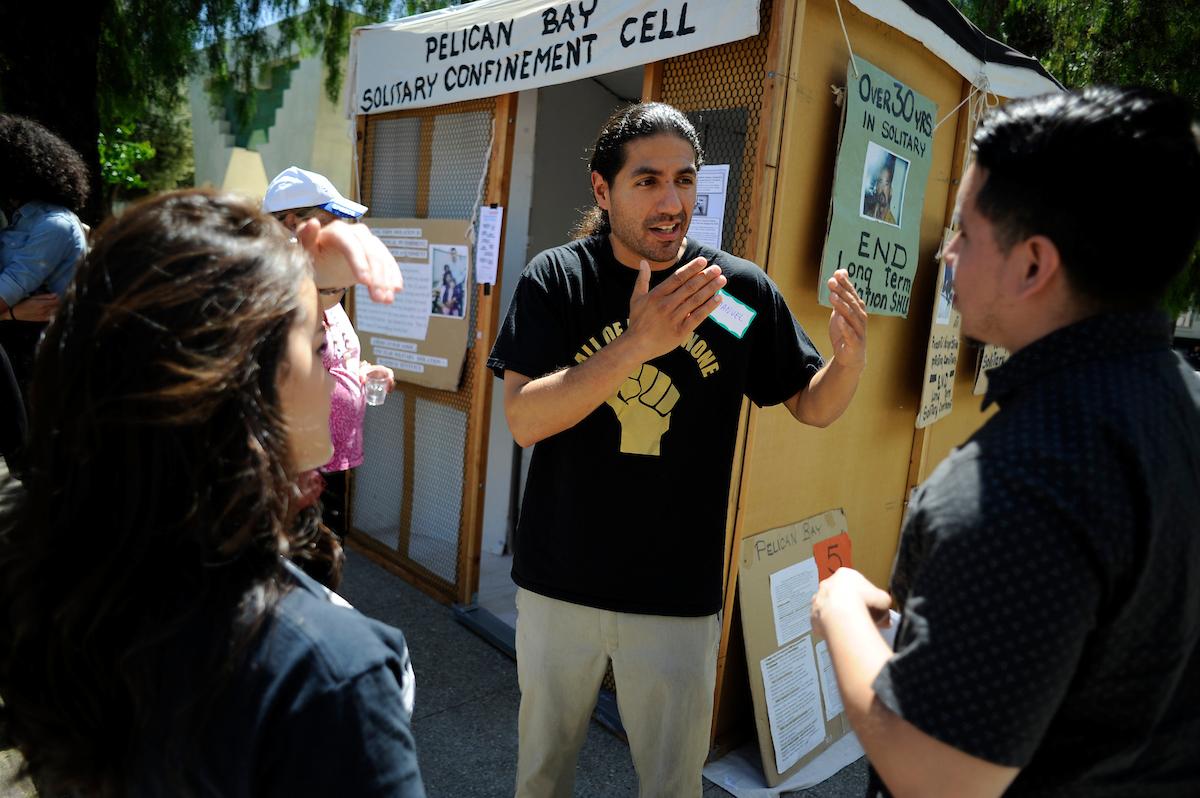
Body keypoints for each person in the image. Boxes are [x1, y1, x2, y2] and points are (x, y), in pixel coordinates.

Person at [811, 86, 1200, 797]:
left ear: (1032, 265)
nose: (947, 253)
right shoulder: (1177, 403)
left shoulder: (1024, 477)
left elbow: (936, 775)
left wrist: (839, 612)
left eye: (963, 230)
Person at [487, 102, 868, 797]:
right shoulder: (557, 280)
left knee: (670, 785)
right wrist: (637, 345)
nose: (672, 202)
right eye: (649, 181)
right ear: (603, 192)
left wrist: (845, 365)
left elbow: (810, 404)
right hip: (557, 584)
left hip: (675, 595)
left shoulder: (729, 294)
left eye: (685, 180)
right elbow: (523, 418)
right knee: (540, 775)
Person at [0, 190, 423, 796]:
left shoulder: (60, 577)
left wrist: (307, 286)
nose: (335, 378)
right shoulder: (327, 671)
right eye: (320, 349)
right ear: (248, 391)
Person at [264, 165, 396, 540]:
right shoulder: (275, 293)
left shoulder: (324, 284)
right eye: (331, 219)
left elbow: (334, 359)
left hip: (333, 461)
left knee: (327, 557)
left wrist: (364, 372)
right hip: (297, 467)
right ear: (291, 224)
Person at [0, 114, 89, 399]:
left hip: (39, 366)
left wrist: (10, 313)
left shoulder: (52, 225)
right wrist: (12, 315)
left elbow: (5, 293)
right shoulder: (17, 220)